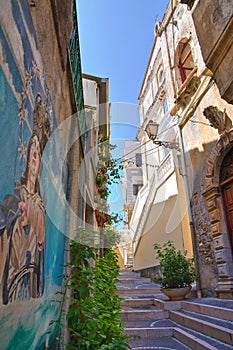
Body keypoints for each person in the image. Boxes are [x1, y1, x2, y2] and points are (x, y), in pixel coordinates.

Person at [0, 93, 50, 304]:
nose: (33, 157)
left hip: (26, 278)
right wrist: (17, 223)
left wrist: (39, 238)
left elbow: (40, 250)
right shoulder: (16, 196)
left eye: (37, 153)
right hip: (12, 274)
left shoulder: (39, 203)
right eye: (32, 149)